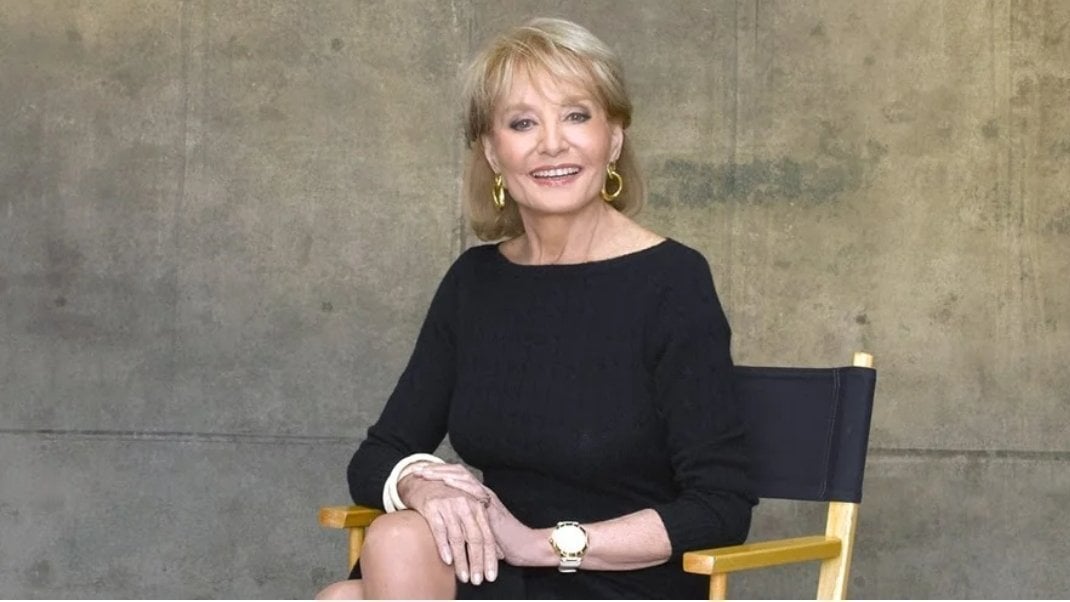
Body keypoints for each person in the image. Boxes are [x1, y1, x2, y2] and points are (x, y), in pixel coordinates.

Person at [316, 17, 755, 600]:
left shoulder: (672, 281)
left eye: (576, 115)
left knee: (349, 593)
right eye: (523, 123)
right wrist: (422, 487)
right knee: (385, 549)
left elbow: (721, 507)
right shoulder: (475, 283)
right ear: (493, 152)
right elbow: (378, 456)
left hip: (616, 573)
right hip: (497, 567)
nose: (552, 144)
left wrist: (541, 543)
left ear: (614, 138)